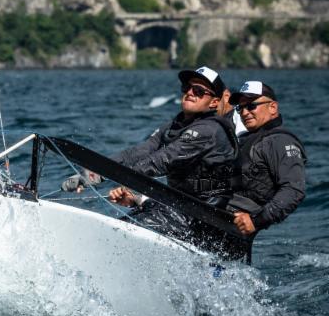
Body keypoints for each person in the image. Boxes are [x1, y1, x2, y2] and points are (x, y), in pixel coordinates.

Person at [64, 66, 243, 257]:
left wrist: (114, 177)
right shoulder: (175, 125)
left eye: (199, 91)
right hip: (177, 207)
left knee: (119, 236)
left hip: (203, 220)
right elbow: (139, 152)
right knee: (119, 228)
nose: (190, 93)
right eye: (187, 88)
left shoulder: (209, 130)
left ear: (214, 102)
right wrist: (91, 173)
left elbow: (161, 161)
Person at [228, 81, 306, 237]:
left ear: (273, 107)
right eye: (240, 108)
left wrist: (256, 221)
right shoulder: (247, 140)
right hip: (218, 213)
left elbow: (294, 190)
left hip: (233, 225)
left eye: (251, 106)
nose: (244, 113)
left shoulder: (280, 141)